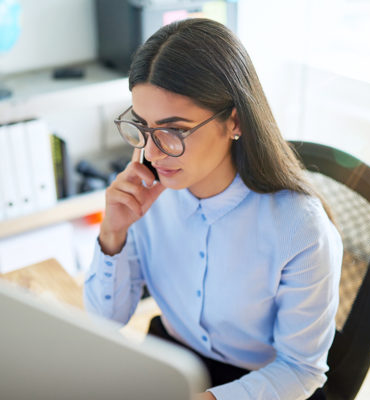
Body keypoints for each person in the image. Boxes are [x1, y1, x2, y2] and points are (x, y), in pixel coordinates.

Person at [84, 18, 343, 400]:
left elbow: (300, 370)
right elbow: (106, 322)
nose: (153, 152)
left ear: (234, 120)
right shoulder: (143, 194)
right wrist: (113, 235)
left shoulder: (300, 227)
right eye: (144, 126)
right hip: (173, 360)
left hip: (266, 384)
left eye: (175, 129)